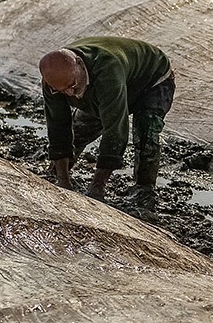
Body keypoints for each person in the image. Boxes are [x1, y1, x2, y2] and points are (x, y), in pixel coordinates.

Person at [39, 37, 174, 206]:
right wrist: (62, 181)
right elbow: (57, 126)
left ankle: (144, 188)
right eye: (62, 90)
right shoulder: (55, 83)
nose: (70, 93)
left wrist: (97, 187)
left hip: (152, 79)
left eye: (73, 85)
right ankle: (58, 171)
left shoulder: (107, 71)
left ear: (80, 64)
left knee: (146, 130)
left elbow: (116, 129)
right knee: (80, 129)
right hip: (102, 85)